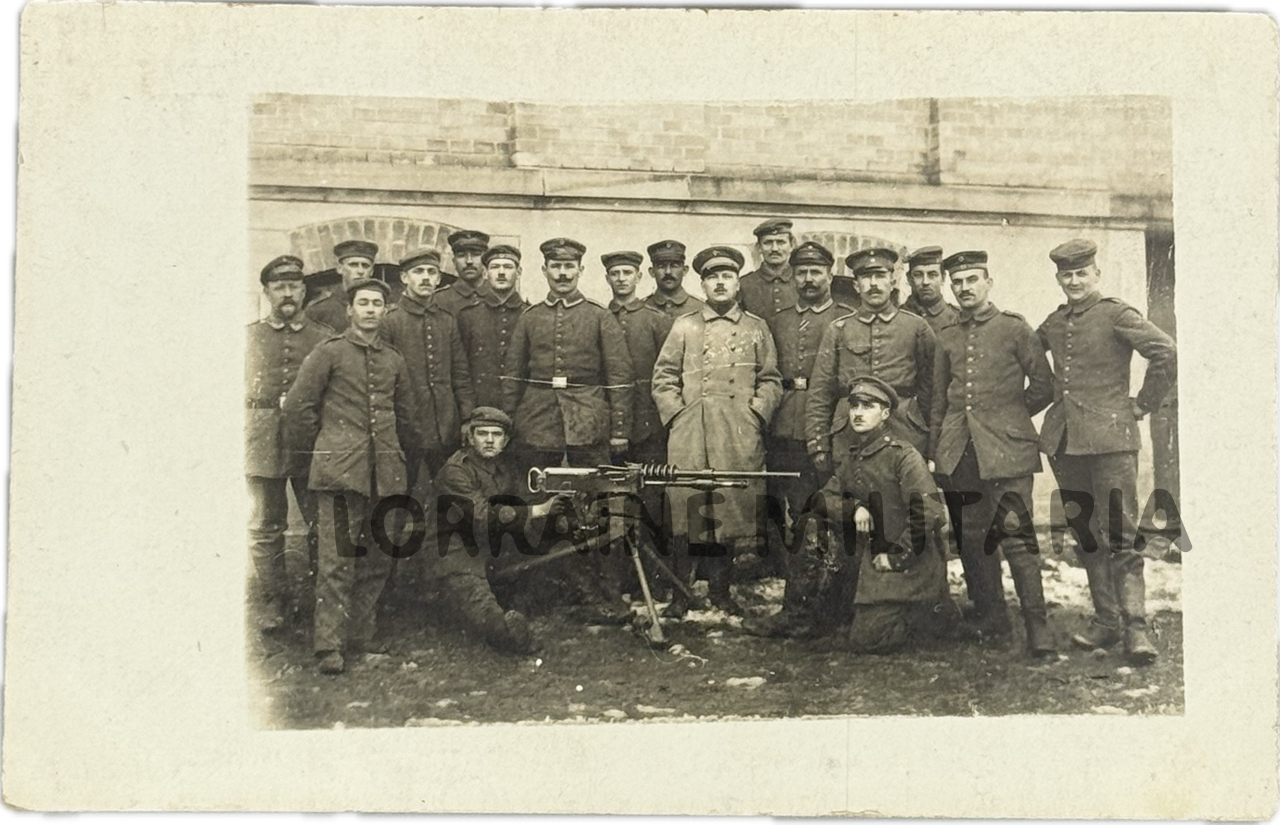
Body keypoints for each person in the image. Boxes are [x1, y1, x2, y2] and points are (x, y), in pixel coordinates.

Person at [1037, 239, 1176, 665]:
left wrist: (1141, 404)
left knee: (1120, 533)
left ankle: (1135, 627)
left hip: (1111, 442)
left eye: (1082, 273)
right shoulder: (1055, 322)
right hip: (1066, 443)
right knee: (1085, 533)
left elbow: (1166, 352)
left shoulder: (1116, 313)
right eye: (1067, 275)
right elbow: (1024, 351)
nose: (1074, 281)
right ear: (1059, 279)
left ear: (1096, 274)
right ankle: (1105, 619)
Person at [283, 278, 424, 674]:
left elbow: (407, 417)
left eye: (378, 304)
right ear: (350, 310)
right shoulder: (328, 353)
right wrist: (326, 451)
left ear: (384, 310)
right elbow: (298, 409)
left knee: (378, 559)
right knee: (336, 560)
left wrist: (401, 463)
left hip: (386, 473)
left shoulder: (393, 359)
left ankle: (361, 635)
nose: (370, 310)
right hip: (341, 474)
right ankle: (329, 646)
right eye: (363, 303)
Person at [501, 238, 634, 619]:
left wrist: (619, 430)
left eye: (569, 266)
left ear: (580, 271)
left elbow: (620, 378)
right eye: (555, 266)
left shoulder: (598, 317)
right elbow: (513, 375)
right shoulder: (529, 318)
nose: (562, 273)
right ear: (544, 271)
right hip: (536, 421)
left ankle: (604, 594)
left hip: (587, 422)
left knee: (597, 508)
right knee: (533, 505)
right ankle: (530, 591)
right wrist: (510, 425)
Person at [931, 250, 1055, 655]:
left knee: (1017, 538)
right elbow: (939, 400)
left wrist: (1010, 418)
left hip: (1008, 452)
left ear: (988, 282)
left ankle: (1038, 628)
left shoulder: (1014, 328)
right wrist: (938, 450)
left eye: (972, 279)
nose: (965, 288)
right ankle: (991, 615)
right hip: (960, 451)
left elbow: (1043, 386)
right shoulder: (946, 335)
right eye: (958, 282)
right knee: (972, 537)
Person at [651, 245, 783, 616]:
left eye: (727, 276)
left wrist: (755, 415)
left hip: (736, 432)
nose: (720, 283)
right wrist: (678, 415)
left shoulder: (756, 328)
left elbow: (771, 379)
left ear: (737, 282)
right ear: (703, 284)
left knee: (726, 511)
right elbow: (662, 378)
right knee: (688, 509)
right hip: (692, 430)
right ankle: (681, 594)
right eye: (712, 277)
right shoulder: (685, 325)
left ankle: (721, 592)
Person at [742, 241, 853, 637]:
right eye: (801, 272)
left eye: (816, 272)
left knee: (832, 517)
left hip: (830, 428)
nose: (808, 279)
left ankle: (832, 607)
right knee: (797, 517)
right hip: (787, 426)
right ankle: (801, 607)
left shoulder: (845, 318)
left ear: (829, 274)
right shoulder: (779, 318)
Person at [814, 376, 958, 653]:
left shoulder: (903, 456)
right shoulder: (854, 456)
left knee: (867, 640)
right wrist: (853, 508)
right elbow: (822, 500)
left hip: (909, 564)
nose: (857, 413)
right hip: (872, 562)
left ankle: (933, 614)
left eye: (868, 406)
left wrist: (896, 557)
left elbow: (929, 511)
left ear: (885, 413)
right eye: (854, 405)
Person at [430, 407, 570, 655]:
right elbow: (482, 516)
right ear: (470, 438)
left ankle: (519, 610)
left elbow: (526, 498)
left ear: (505, 441)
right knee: (483, 609)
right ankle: (511, 634)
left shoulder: (505, 467)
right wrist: (538, 510)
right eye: (482, 434)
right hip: (457, 552)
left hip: (493, 550)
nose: (490, 440)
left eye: (496, 434)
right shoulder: (456, 470)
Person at [245, 255, 334, 631]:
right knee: (266, 523)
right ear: (266, 292)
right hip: (260, 438)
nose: (287, 294)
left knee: (319, 520)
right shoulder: (247, 336)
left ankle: (320, 602)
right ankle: (273, 602)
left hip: (307, 438)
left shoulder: (323, 337)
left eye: (294, 287)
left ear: (303, 292)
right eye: (279, 287)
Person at [807, 247, 936, 473]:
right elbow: (821, 389)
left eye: (880, 276)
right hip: (850, 432)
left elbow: (931, 388)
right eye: (866, 277)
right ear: (856, 285)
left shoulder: (916, 327)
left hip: (903, 428)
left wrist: (927, 436)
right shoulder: (839, 329)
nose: (873, 284)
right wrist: (818, 443)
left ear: (893, 281)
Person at [380, 248, 475, 482]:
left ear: (438, 279)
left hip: (445, 425)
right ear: (404, 278)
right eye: (418, 271)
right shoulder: (390, 321)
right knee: (400, 493)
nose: (425, 278)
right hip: (406, 426)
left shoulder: (446, 320)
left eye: (431, 272)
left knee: (450, 492)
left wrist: (466, 418)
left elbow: (460, 374)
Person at [602, 249, 674, 536]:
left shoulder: (656, 319)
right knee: (610, 497)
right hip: (607, 420)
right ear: (607, 278)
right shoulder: (598, 316)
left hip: (648, 421)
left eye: (627, 273)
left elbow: (669, 372)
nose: (621, 279)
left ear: (640, 276)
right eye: (615, 274)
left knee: (651, 495)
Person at [456, 244, 528, 409]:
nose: (501, 273)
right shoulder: (468, 316)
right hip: (480, 406)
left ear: (519, 272)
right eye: (495, 267)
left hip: (522, 408)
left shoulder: (530, 315)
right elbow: (460, 371)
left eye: (508, 267)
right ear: (485, 273)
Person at [304, 239, 378, 333]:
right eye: (353, 265)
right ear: (340, 268)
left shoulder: (379, 308)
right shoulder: (319, 310)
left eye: (365, 266)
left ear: (371, 271)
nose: (360, 271)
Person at [738, 218, 798, 324]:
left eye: (781, 242)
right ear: (759, 247)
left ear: (792, 245)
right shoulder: (744, 284)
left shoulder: (802, 280)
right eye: (768, 243)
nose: (774, 249)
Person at [901, 246, 960, 334]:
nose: (925, 282)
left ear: (943, 278)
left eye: (932, 275)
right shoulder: (898, 316)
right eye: (918, 275)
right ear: (909, 279)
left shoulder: (957, 318)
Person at [643, 240, 704, 319]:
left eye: (674, 266)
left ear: (685, 270)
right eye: (661, 266)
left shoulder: (701, 308)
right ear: (652, 272)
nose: (668, 272)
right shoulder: (641, 308)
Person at [435, 229, 490, 316]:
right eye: (461, 255)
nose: (469, 261)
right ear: (454, 261)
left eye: (476, 254)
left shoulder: (498, 295)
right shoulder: (439, 299)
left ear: (486, 259)